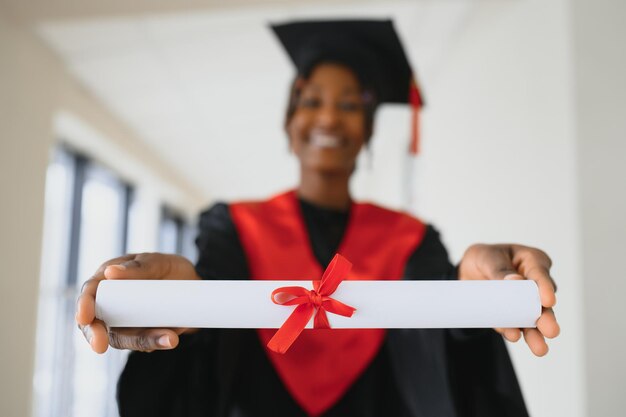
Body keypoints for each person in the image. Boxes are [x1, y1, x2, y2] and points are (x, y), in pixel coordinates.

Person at [75, 19, 560, 417]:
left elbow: (443, 318)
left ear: (368, 131)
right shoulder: (234, 226)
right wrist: (188, 303)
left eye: (349, 105)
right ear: (290, 123)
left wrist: (472, 289)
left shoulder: (409, 239)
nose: (328, 118)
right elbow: (213, 294)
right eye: (311, 101)